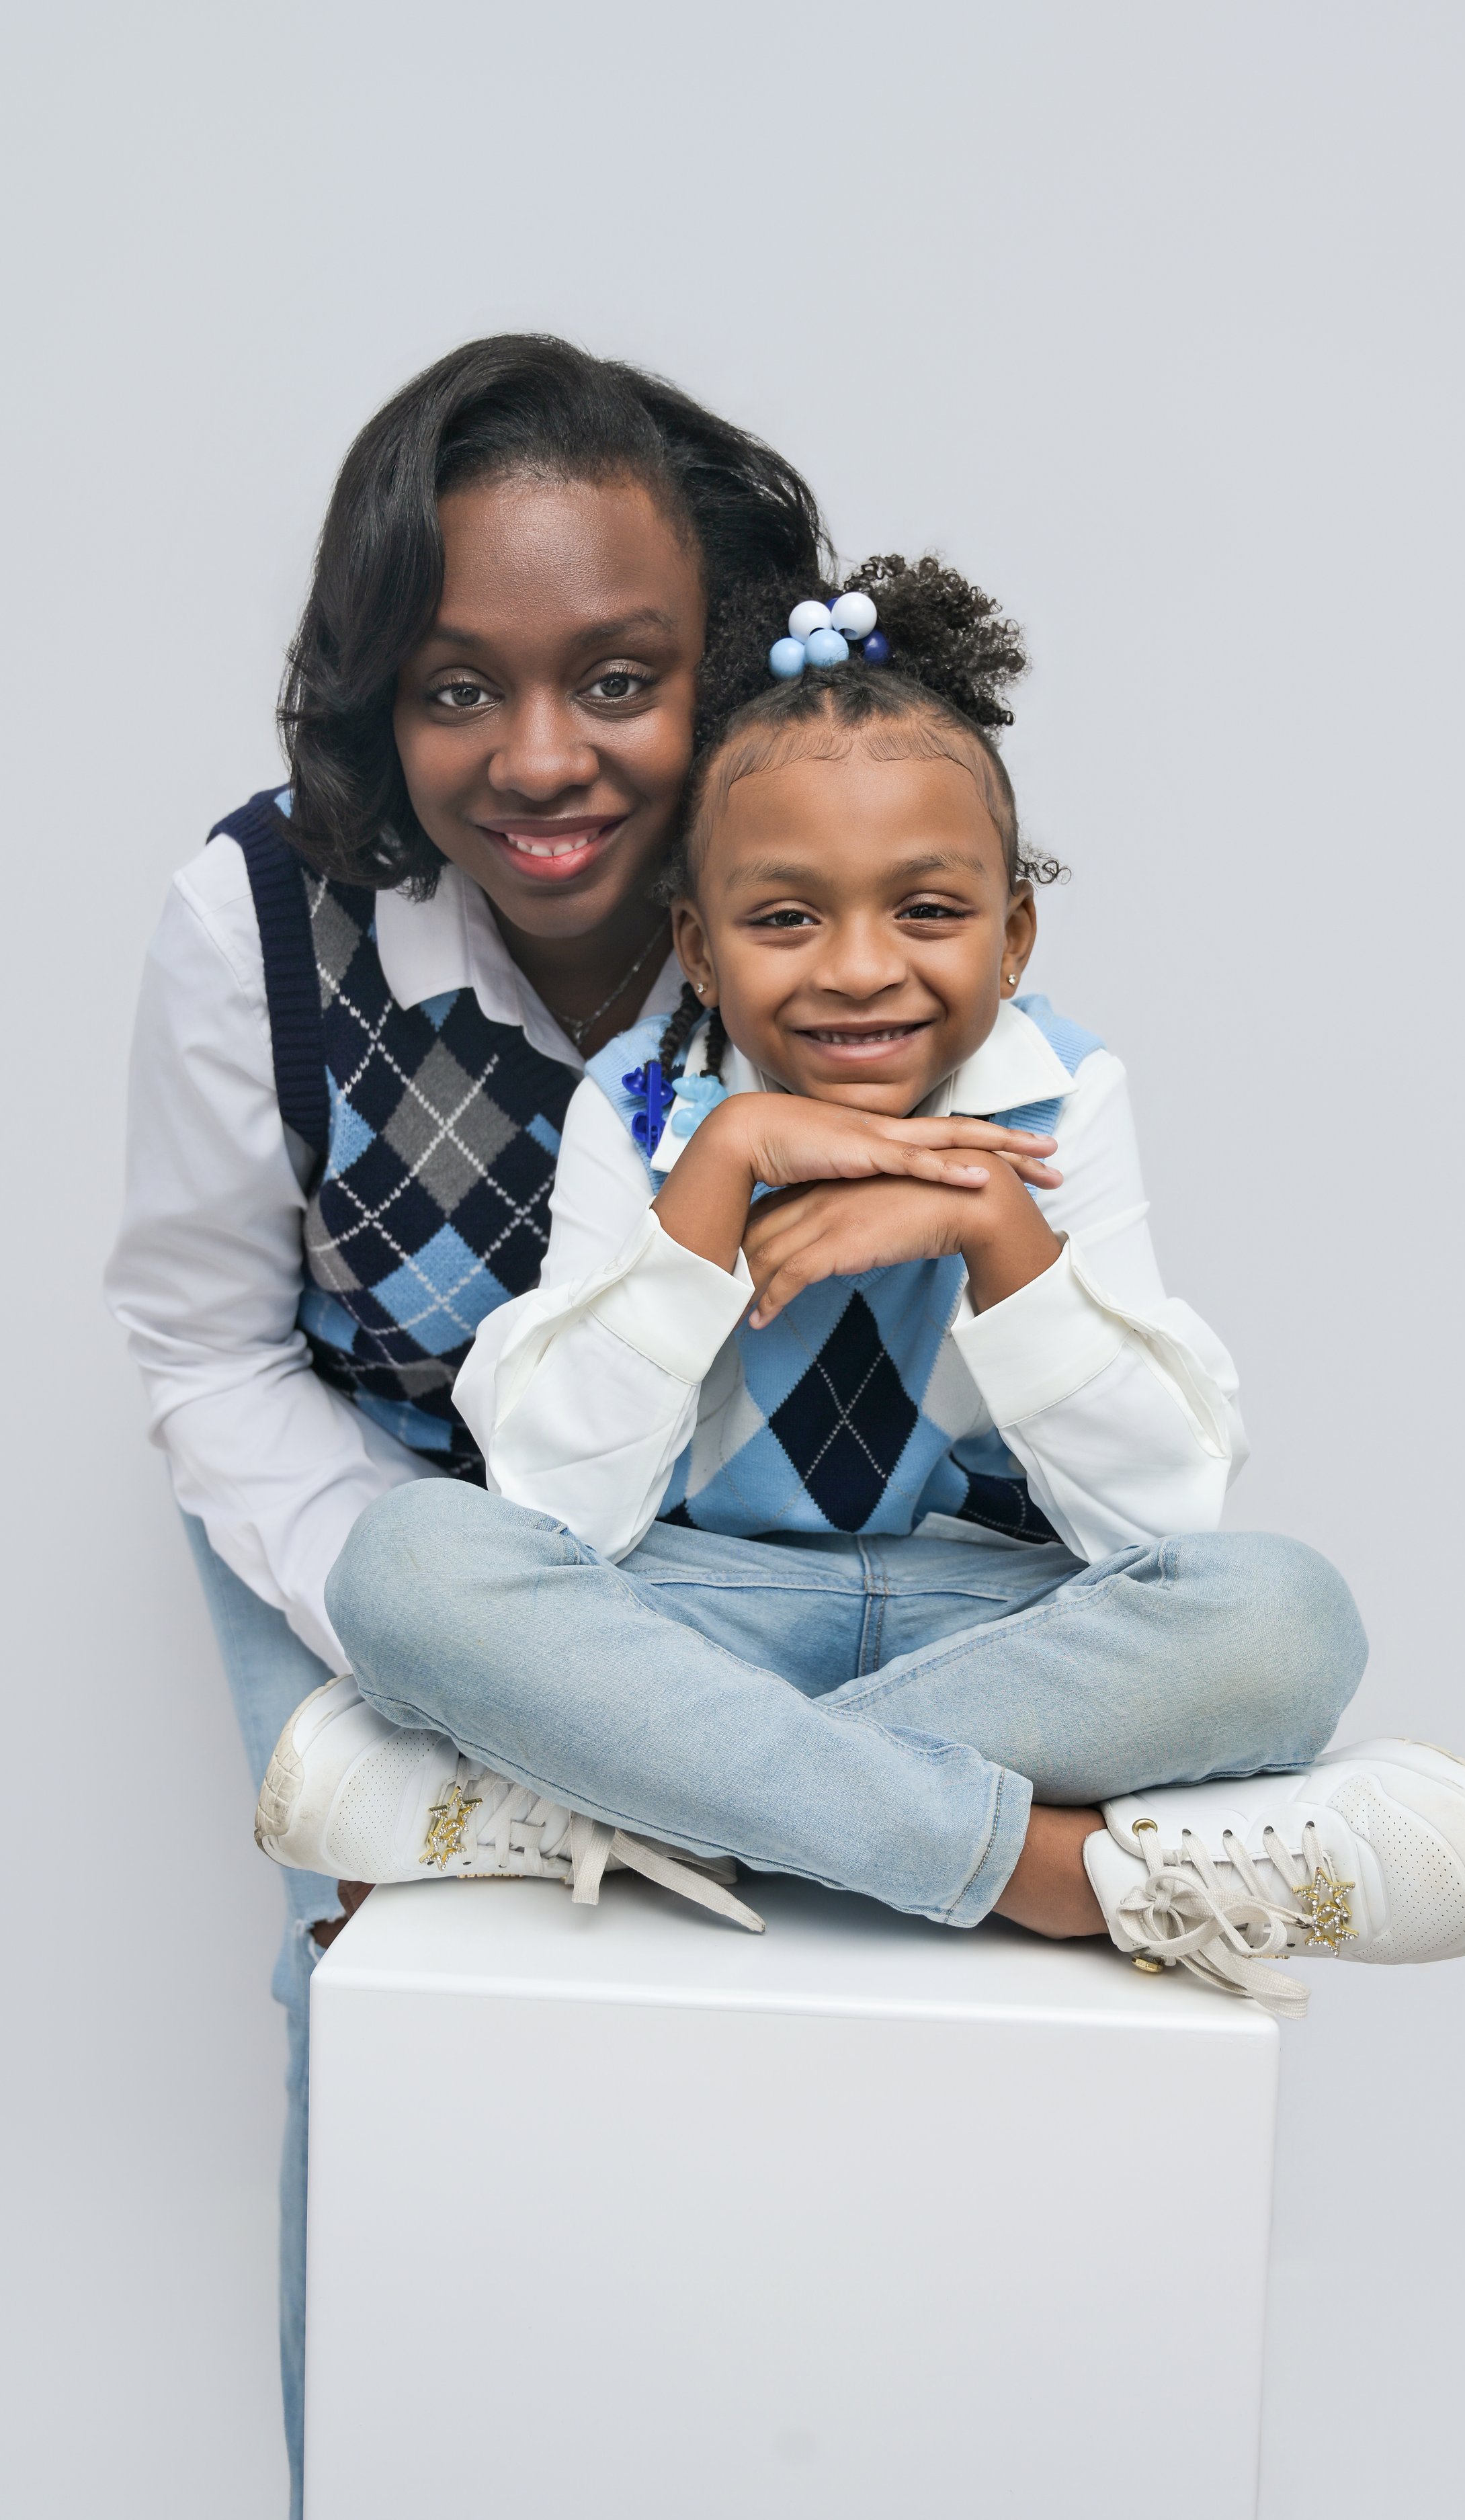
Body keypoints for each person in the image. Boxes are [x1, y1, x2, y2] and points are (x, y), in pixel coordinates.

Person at [260, 553, 1465, 2015]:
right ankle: (1034, 1870)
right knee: (411, 1563)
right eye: (784, 919)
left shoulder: (1060, 1095)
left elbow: (1160, 1520)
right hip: (700, 1606)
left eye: (926, 914)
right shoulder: (643, 1112)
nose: (858, 971)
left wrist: (998, 1230)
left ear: (1010, 937)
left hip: (985, 1613)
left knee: (1286, 1620)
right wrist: (716, 1179)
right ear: (696, 945)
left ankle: (629, 1797)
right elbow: (552, 1513)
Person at [106, 333, 830, 2515]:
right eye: (455, 689)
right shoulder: (254, 924)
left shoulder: (819, 888)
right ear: (372, 698)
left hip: (709, 1539)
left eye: (620, 679)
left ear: (723, 669)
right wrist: (424, 1644)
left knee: (758, 2039)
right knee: (399, 2017)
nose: (542, 760)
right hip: (378, 1528)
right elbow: (206, 1346)